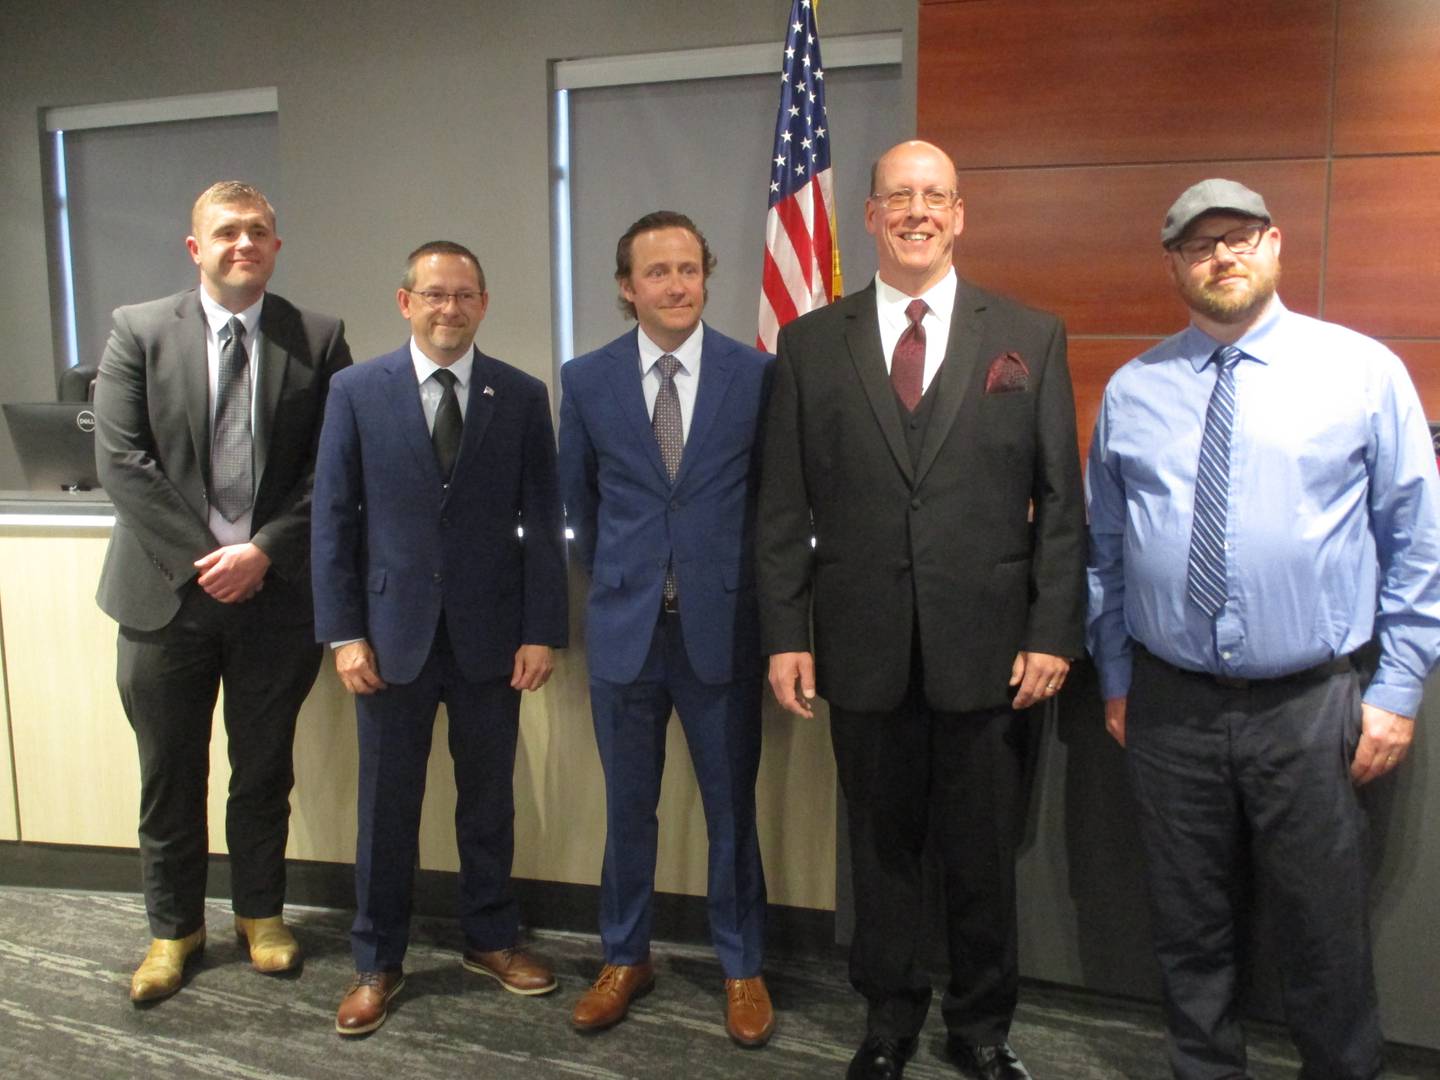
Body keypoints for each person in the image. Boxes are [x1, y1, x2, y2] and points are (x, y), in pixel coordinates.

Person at [1085, 178, 1440, 1080]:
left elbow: (1416, 542)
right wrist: (1118, 677)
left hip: (1313, 706)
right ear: (1175, 265)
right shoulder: (1134, 391)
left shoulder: (1361, 372)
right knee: (1188, 928)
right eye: (1200, 245)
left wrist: (1396, 690)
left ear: (1276, 246)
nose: (1223, 256)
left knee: (1324, 935)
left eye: (1240, 237)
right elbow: (1107, 553)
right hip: (1169, 707)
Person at [758, 141, 1086, 1080]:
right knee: (881, 847)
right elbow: (784, 506)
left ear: (960, 213)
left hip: (990, 652)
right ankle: (889, 1021)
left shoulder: (1030, 334)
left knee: (983, 855)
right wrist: (786, 635)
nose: (916, 211)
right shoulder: (811, 342)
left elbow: (1062, 503)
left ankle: (982, 1028)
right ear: (867, 215)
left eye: (934, 196)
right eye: (898, 196)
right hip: (859, 649)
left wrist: (1052, 630)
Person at [94, 180, 352, 1002]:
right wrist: (213, 558)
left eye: (259, 232)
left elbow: (334, 469)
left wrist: (263, 553)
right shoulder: (136, 332)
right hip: (165, 593)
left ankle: (261, 915)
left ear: (277, 245)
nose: (244, 244)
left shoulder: (318, 337)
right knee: (170, 771)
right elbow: (121, 461)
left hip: (274, 597)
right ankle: (172, 932)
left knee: (263, 768)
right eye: (227, 232)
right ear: (195, 247)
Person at [311, 241, 568, 1036]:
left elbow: (542, 529)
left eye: (463, 295)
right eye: (433, 294)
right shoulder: (356, 391)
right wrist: (344, 634)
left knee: (488, 802)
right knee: (388, 807)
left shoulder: (521, 396)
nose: (448, 308)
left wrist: (541, 631)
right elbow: (332, 519)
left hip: (493, 639)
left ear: (483, 304)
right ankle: (376, 959)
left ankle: (490, 937)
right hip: (389, 642)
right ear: (405, 302)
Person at [557, 211, 775, 1047]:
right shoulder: (586, 380)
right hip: (625, 631)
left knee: (730, 811)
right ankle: (624, 956)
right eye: (658, 272)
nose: (677, 285)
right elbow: (576, 504)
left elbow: (771, 504)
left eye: (690, 269)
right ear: (626, 287)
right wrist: (617, 578)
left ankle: (742, 966)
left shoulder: (754, 376)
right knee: (628, 809)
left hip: (723, 630)